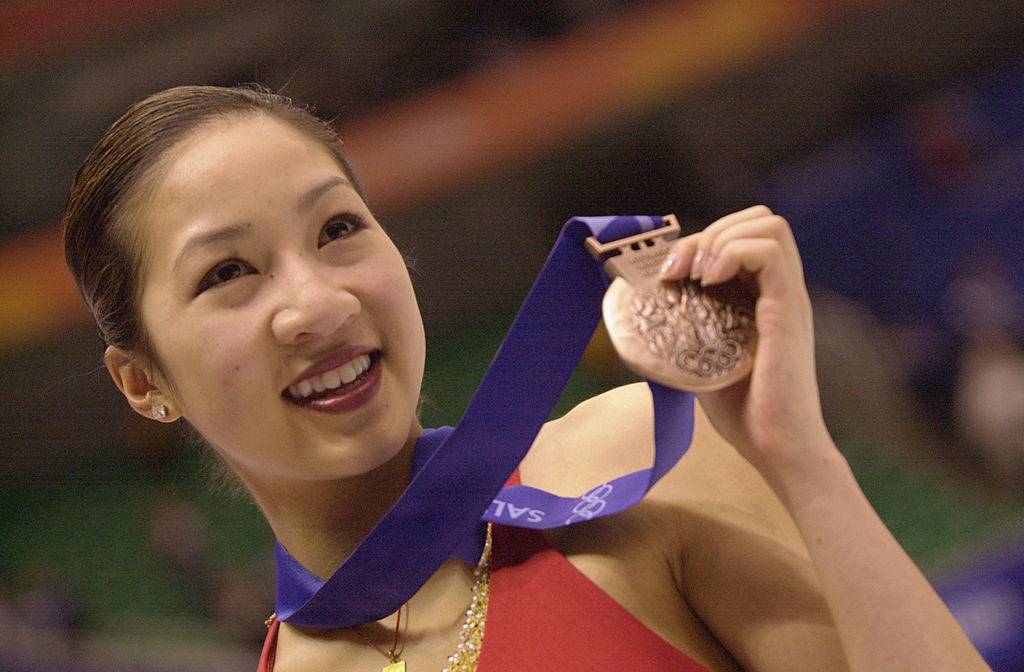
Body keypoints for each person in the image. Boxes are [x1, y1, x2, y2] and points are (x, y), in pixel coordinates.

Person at [62, 85, 989, 671]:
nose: (316, 304)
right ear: (144, 384)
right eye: (227, 274)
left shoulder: (635, 468)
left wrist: (803, 464)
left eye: (338, 229)